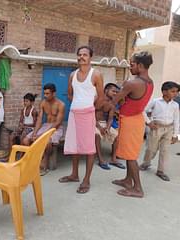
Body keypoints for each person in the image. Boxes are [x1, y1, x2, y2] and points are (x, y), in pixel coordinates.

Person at [59, 46, 104, 194]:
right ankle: (74, 174)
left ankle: (86, 180)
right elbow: (70, 94)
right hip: (74, 114)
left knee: (89, 148)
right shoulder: (73, 74)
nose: (81, 57)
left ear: (91, 57)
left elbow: (101, 97)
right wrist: (77, 103)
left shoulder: (96, 74)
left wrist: (90, 108)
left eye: (85, 55)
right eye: (79, 55)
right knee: (74, 145)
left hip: (88, 114)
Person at [112, 51, 154, 198]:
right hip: (137, 119)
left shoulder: (133, 83)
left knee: (130, 157)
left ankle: (137, 189)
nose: (130, 67)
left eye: (132, 64)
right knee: (131, 153)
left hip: (130, 121)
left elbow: (115, 100)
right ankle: (127, 180)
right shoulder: (150, 82)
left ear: (141, 66)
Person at [139, 81, 179, 181]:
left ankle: (161, 171)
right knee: (151, 149)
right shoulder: (156, 101)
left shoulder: (175, 105)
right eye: (173, 91)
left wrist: (175, 134)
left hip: (169, 129)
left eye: (177, 92)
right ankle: (146, 163)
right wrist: (148, 122)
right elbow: (143, 110)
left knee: (165, 151)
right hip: (156, 128)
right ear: (164, 92)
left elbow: (177, 120)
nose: (176, 94)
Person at [23, 83, 65, 175]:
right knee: (26, 140)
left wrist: (42, 135)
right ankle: (32, 161)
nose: (45, 96)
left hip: (56, 128)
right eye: (44, 93)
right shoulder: (43, 103)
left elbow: (57, 123)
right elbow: (39, 119)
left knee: (47, 142)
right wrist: (35, 132)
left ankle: (44, 162)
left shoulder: (61, 104)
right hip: (45, 125)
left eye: (47, 94)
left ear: (54, 93)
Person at [96, 83, 125, 170]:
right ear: (106, 90)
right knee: (96, 135)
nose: (115, 93)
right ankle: (101, 159)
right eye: (113, 91)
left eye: (116, 92)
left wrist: (107, 128)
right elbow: (91, 115)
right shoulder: (98, 100)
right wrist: (100, 128)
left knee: (116, 135)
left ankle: (113, 159)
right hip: (94, 122)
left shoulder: (112, 104)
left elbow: (110, 118)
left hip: (104, 123)